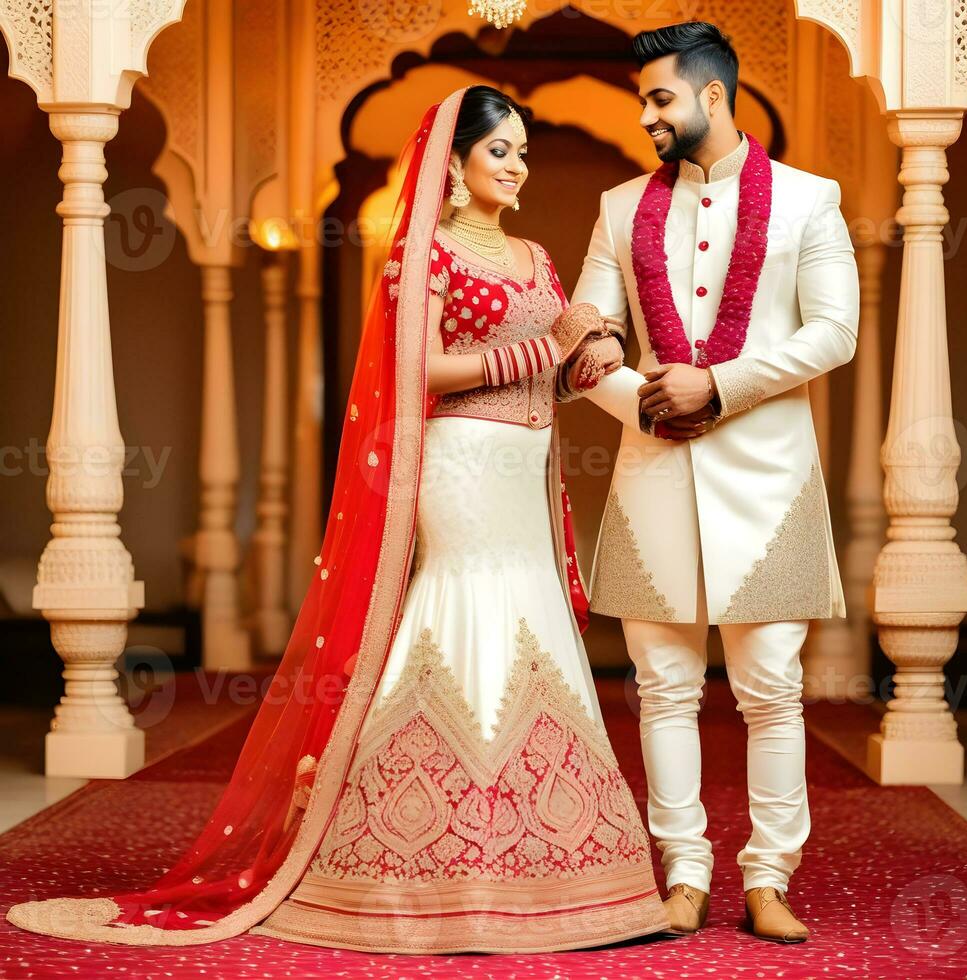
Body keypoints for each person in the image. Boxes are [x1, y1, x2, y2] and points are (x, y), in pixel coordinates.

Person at [7, 85, 669, 954]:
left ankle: (549, 867)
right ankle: (412, 862)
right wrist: (544, 347)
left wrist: (602, 351)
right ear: (456, 163)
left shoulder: (539, 260)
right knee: (469, 605)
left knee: (533, 613)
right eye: (499, 151)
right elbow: (416, 371)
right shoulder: (424, 255)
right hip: (458, 465)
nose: (516, 166)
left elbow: (563, 373)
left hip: (524, 466)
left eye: (522, 152)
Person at [558, 23, 859, 943]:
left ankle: (769, 877)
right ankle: (683, 872)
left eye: (659, 98)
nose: (645, 115)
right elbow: (582, 335)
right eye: (642, 100)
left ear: (714, 96)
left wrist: (718, 385)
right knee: (664, 686)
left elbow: (833, 333)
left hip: (766, 484)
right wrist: (643, 402)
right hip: (654, 478)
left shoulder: (811, 201)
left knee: (770, 686)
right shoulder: (619, 209)